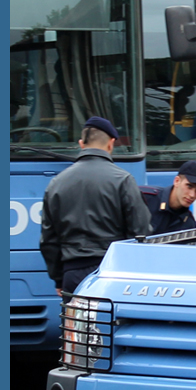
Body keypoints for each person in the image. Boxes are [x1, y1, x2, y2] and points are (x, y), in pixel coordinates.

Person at [39, 116, 152, 296]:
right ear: (111, 144)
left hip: (73, 274)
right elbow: (141, 231)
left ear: (81, 144)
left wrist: (59, 278)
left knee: (74, 323)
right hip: (112, 274)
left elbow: (48, 240)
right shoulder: (123, 180)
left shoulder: (57, 183)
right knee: (111, 323)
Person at [140, 160, 196, 234]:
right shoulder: (144, 198)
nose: (192, 195)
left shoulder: (189, 224)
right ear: (177, 181)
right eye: (189, 186)